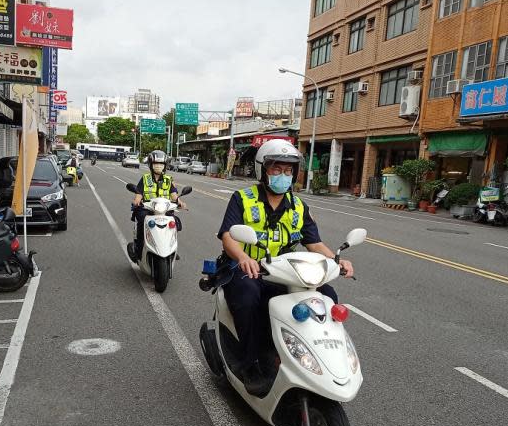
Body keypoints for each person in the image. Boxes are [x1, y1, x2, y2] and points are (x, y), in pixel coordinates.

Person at [217, 139, 354, 397]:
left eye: (288, 171)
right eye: (276, 170)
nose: (283, 176)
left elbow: (314, 243)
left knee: (326, 297)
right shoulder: (242, 199)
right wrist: (243, 258)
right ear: (263, 171)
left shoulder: (299, 206)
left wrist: (336, 261)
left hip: (286, 272)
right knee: (248, 297)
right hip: (248, 270)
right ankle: (250, 363)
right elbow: (228, 236)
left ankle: (317, 359)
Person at [127, 150, 186, 261]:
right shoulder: (145, 178)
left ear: (165, 166)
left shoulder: (168, 180)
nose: (158, 166)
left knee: (174, 223)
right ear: (151, 165)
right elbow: (139, 193)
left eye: (161, 164)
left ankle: (170, 248)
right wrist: (136, 200)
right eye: (156, 164)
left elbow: (173, 195)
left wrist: (180, 202)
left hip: (164, 209)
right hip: (147, 208)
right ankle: (138, 251)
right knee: (141, 223)